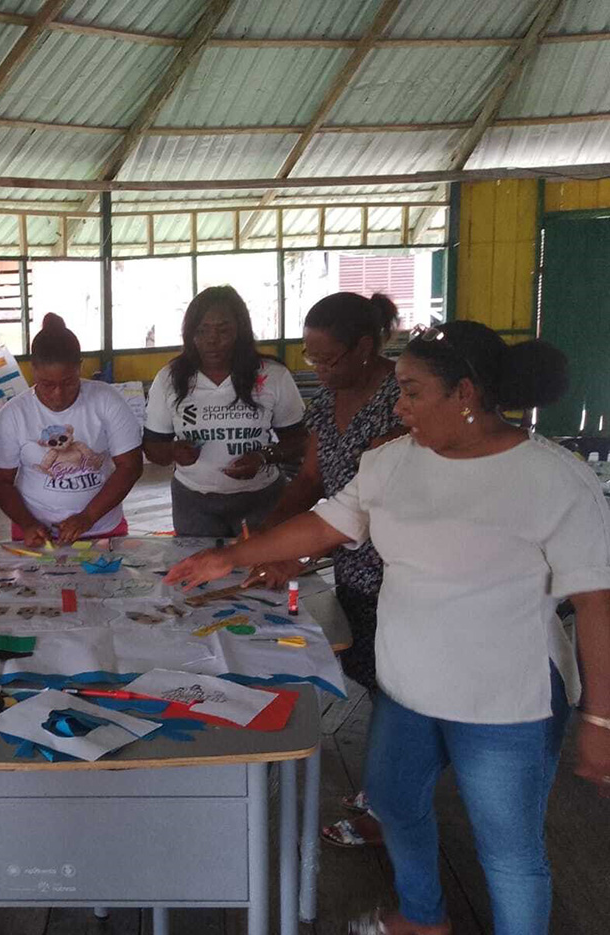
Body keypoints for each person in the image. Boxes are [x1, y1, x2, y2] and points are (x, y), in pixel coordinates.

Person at [165, 321, 610, 935]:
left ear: (466, 394)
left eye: (413, 391)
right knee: (396, 801)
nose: (398, 407)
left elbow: (596, 603)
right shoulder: (394, 460)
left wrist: (600, 719)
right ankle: (424, 917)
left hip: (508, 700)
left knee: (509, 852)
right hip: (409, 684)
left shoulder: (555, 479)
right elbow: (325, 526)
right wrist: (229, 558)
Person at [253, 292, 406, 848]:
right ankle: (390, 786)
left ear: (365, 347)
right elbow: (311, 482)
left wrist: (292, 551)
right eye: (311, 359)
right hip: (352, 564)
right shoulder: (328, 399)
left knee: (398, 687)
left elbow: (365, 506)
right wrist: (264, 534)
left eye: (327, 359)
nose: (317, 370)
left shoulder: (404, 398)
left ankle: (390, 803)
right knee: (373, 672)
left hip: (402, 568)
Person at [144, 286, 307, 538]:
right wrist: (173, 452)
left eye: (223, 330)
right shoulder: (170, 378)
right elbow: (153, 447)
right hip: (194, 503)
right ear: (190, 334)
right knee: (201, 572)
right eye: (202, 331)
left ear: (240, 330)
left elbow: (299, 441)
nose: (212, 340)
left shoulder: (271, 375)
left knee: (261, 571)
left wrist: (263, 456)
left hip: (262, 499)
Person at [0, 313, 143, 545]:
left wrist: (88, 517)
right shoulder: (14, 414)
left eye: (69, 382)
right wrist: (28, 523)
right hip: (37, 535)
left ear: (80, 368)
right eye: (48, 384)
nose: (58, 394)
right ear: (34, 370)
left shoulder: (106, 400)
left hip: (102, 529)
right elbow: (0, 480)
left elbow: (130, 466)